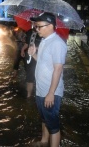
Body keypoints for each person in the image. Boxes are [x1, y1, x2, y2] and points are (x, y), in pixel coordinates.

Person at [28, 12, 67, 147]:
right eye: (36, 26)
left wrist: (51, 93)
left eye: (39, 26)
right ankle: (44, 141)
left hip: (51, 92)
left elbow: (58, 69)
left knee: (53, 124)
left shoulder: (57, 44)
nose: (37, 29)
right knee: (44, 119)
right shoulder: (45, 41)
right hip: (41, 89)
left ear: (50, 26)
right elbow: (42, 62)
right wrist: (33, 54)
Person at [21, 27, 41, 98]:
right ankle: (29, 95)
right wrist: (23, 50)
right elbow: (27, 43)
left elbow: (46, 46)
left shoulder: (42, 33)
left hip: (39, 56)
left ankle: (32, 95)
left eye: (35, 22)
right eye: (32, 22)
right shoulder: (29, 31)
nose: (33, 24)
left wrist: (36, 49)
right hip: (29, 55)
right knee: (29, 74)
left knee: (35, 75)